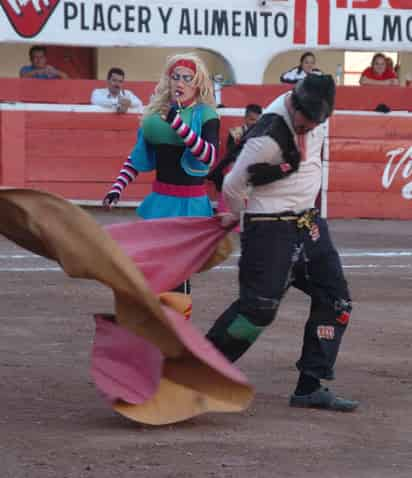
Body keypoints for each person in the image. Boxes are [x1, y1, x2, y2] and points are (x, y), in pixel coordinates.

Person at [206, 74, 359, 412]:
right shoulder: (270, 135)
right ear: (294, 103)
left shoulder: (315, 115)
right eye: (304, 120)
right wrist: (234, 217)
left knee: (336, 302)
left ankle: (310, 386)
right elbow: (232, 185)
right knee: (257, 310)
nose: (308, 126)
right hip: (269, 226)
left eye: (316, 121)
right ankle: (197, 373)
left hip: (308, 222)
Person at [102, 53, 219, 294]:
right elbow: (137, 158)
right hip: (161, 201)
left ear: (198, 83)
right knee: (155, 268)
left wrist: (178, 125)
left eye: (188, 78)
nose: (180, 83)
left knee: (178, 273)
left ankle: (176, 323)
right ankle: (159, 322)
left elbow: (208, 156)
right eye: (176, 77)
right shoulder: (155, 116)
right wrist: (117, 188)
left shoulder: (206, 114)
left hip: (191, 206)